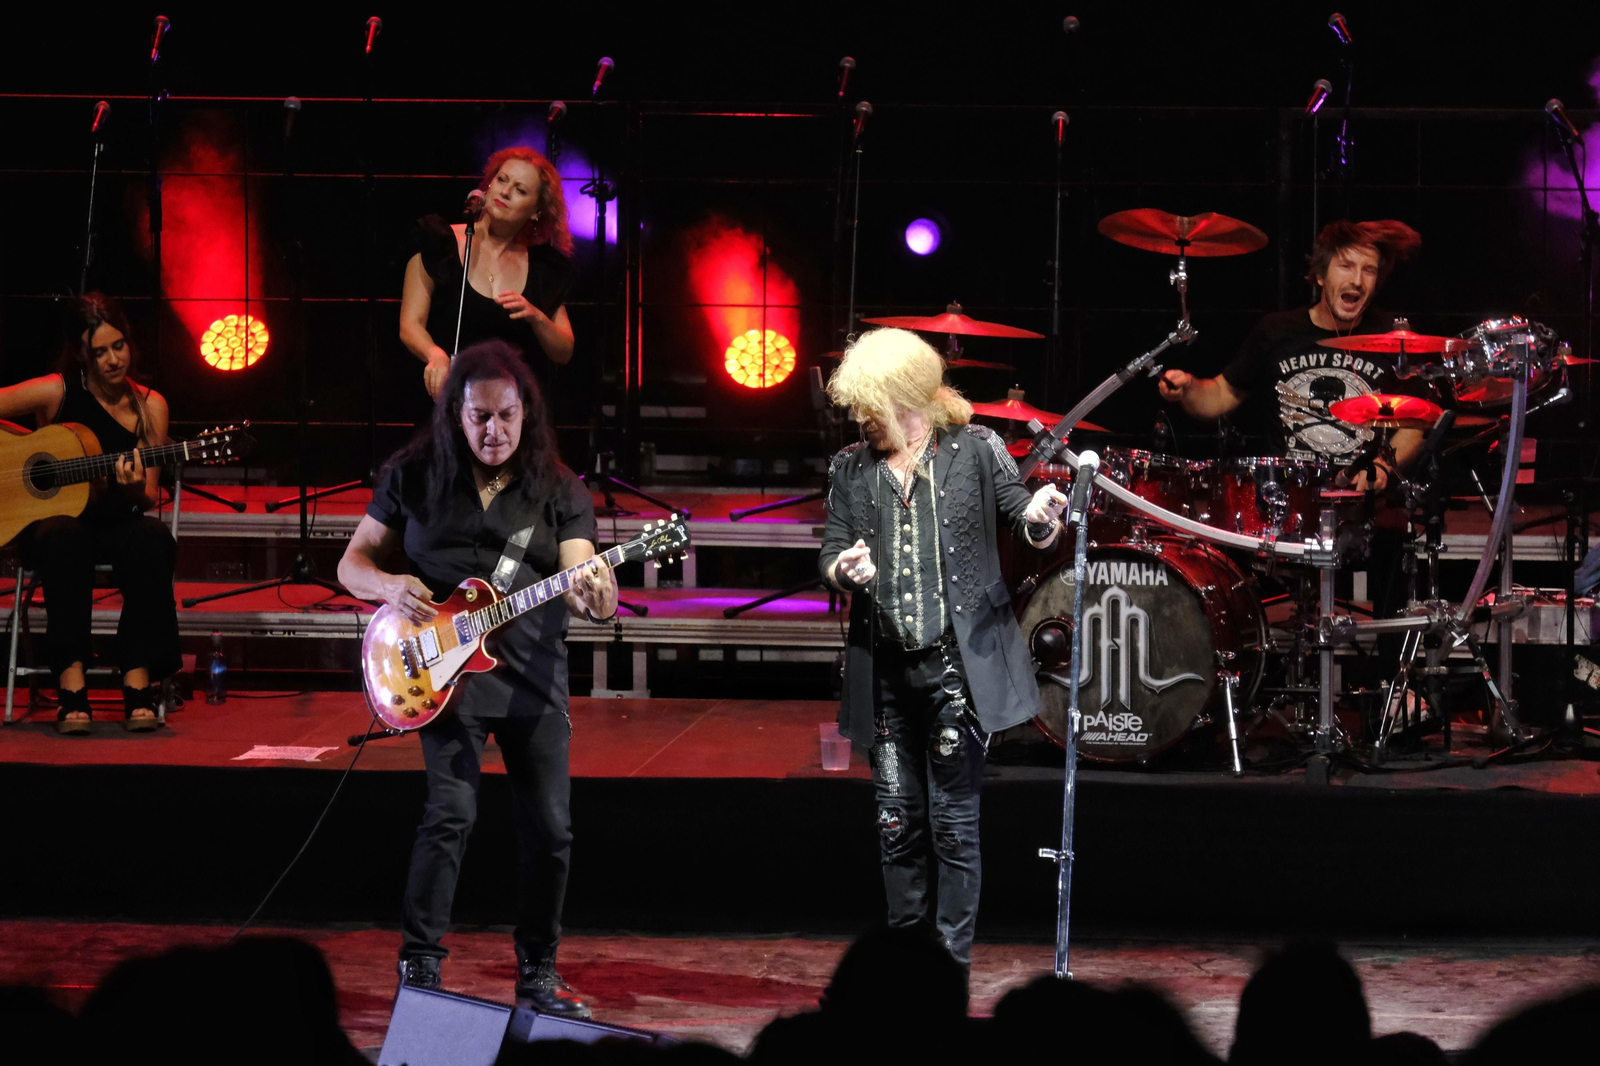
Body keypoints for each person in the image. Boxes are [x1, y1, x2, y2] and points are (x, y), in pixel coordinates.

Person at [337, 340, 615, 1017]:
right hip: (442, 676)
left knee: (551, 829)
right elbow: (351, 564)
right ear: (454, 415)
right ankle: (421, 966)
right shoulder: (414, 475)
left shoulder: (559, 488)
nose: (494, 431)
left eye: (507, 416)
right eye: (479, 417)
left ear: (527, 413)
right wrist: (388, 585)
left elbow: (581, 570)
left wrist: (595, 593)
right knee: (451, 814)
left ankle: (539, 973)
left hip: (531, 676)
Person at [818, 327, 1069, 974]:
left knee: (953, 824)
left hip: (957, 670)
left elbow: (1022, 516)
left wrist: (1042, 515)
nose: (860, 417)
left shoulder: (975, 448)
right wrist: (844, 570)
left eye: (869, 404)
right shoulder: (850, 467)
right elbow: (831, 550)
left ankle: (950, 969)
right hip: (885, 676)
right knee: (896, 823)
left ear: (904, 397)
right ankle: (908, 964)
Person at [0, 293, 178, 734]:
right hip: (53, 524)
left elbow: (149, 494)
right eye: (100, 352)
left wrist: (134, 487)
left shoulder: (150, 406)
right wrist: (17, 448)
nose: (113, 359)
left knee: (153, 537)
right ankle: (71, 680)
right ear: (82, 353)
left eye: (119, 346)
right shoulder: (57, 390)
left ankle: (137, 677)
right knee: (64, 535)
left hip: (118, 522)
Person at [1158, 219, 1426, 490]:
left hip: (1363, 501)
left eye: (1368, 270)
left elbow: (1416, 424)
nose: (1357, 281)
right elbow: (1219, 394)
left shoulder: (1393, 337)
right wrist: (1188, 388)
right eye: (1346, 266)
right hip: (1288, 497)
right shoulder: (1277, 330)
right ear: (1320, 275)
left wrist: (1381, 466)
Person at [401, 146, 577, 399]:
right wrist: (434, 354)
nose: (505, 192)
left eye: (520, 190)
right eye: (502, 179)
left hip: (504, 406)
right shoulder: (439, 240)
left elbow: (564, 351)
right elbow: (410, 324)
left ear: (536, 211)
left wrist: (537, 317)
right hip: (444, 398)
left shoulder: (541, 268)